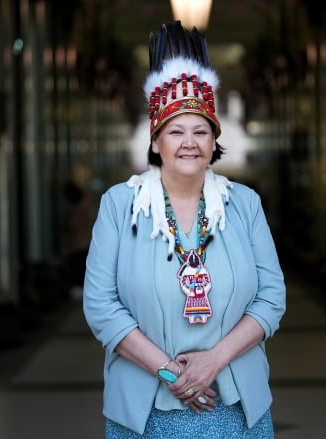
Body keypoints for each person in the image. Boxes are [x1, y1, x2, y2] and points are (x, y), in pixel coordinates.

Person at [83, 21, 286, 438]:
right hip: (144, 413)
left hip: (236, 409)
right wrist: (169, 371)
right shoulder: (119, 206)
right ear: (156, 142)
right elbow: (101, 306)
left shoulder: (244, 205)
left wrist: (214, 360)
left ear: (215, 140)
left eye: (200, 130)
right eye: (175, 131)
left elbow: (272, 297)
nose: (188, 142)